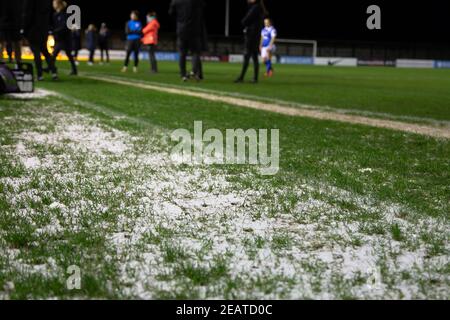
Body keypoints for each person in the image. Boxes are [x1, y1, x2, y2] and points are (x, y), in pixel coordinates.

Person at [169, 0, 206, 82]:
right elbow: (203, 7)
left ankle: (183, 75)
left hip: (182, 29)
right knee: (195, 52)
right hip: (195, 30)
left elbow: (171, 13)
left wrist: (180, 18)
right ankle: (193, 71)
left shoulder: (176, 1)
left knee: (182, 53)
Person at [23, 0, 58, 80]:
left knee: (36, 52)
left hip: (34, 30)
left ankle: (40, 75)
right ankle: (54, 72)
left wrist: (24, 29)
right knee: (45, 52)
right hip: (44, 29)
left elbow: (29, 14)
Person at [235, 0, 266, 84]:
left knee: (247, 55)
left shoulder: (255, 7)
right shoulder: (259, 7)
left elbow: (245, 20)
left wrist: (244, 23)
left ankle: (241, 77)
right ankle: (254, 78)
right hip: (256, 35)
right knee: (254, 56)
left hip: (251, 35)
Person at [51, 0, 77, 75]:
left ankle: (51, 67)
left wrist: (55, 31)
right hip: (58, 38)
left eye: (54, 3)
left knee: (55, 54)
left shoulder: (65, 14)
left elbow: (65, 26)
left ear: (59, 5)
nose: (53, 5)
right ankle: (74, 70)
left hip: (65, 38)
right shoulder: (55, 15)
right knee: (66, 54)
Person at [0, 0, 23, 66]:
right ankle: (16, 62)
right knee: (3, 42)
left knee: (16, 43)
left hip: (13, 24)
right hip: (8, 23)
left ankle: (18, 63)